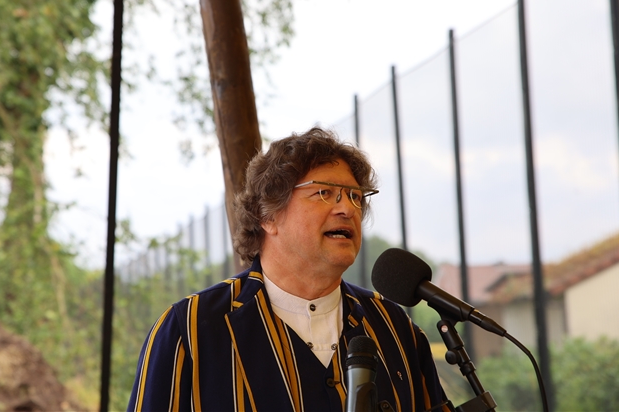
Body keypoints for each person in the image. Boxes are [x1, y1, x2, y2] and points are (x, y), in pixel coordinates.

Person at [128, 127, 450, 412]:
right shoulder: (189, 330)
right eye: (324, 192)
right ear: (268, 215)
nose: (347, 209)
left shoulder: (397, 329)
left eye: (355, 196)